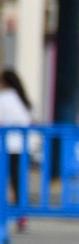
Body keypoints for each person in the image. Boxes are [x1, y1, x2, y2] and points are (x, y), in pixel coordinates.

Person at [0, 70, 34, 231]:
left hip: (6, 146)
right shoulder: (23, 100)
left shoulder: (4, 98)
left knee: (3, 181)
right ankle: (22, 217)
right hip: (22, 146)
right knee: (18, 181)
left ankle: (5, 215)